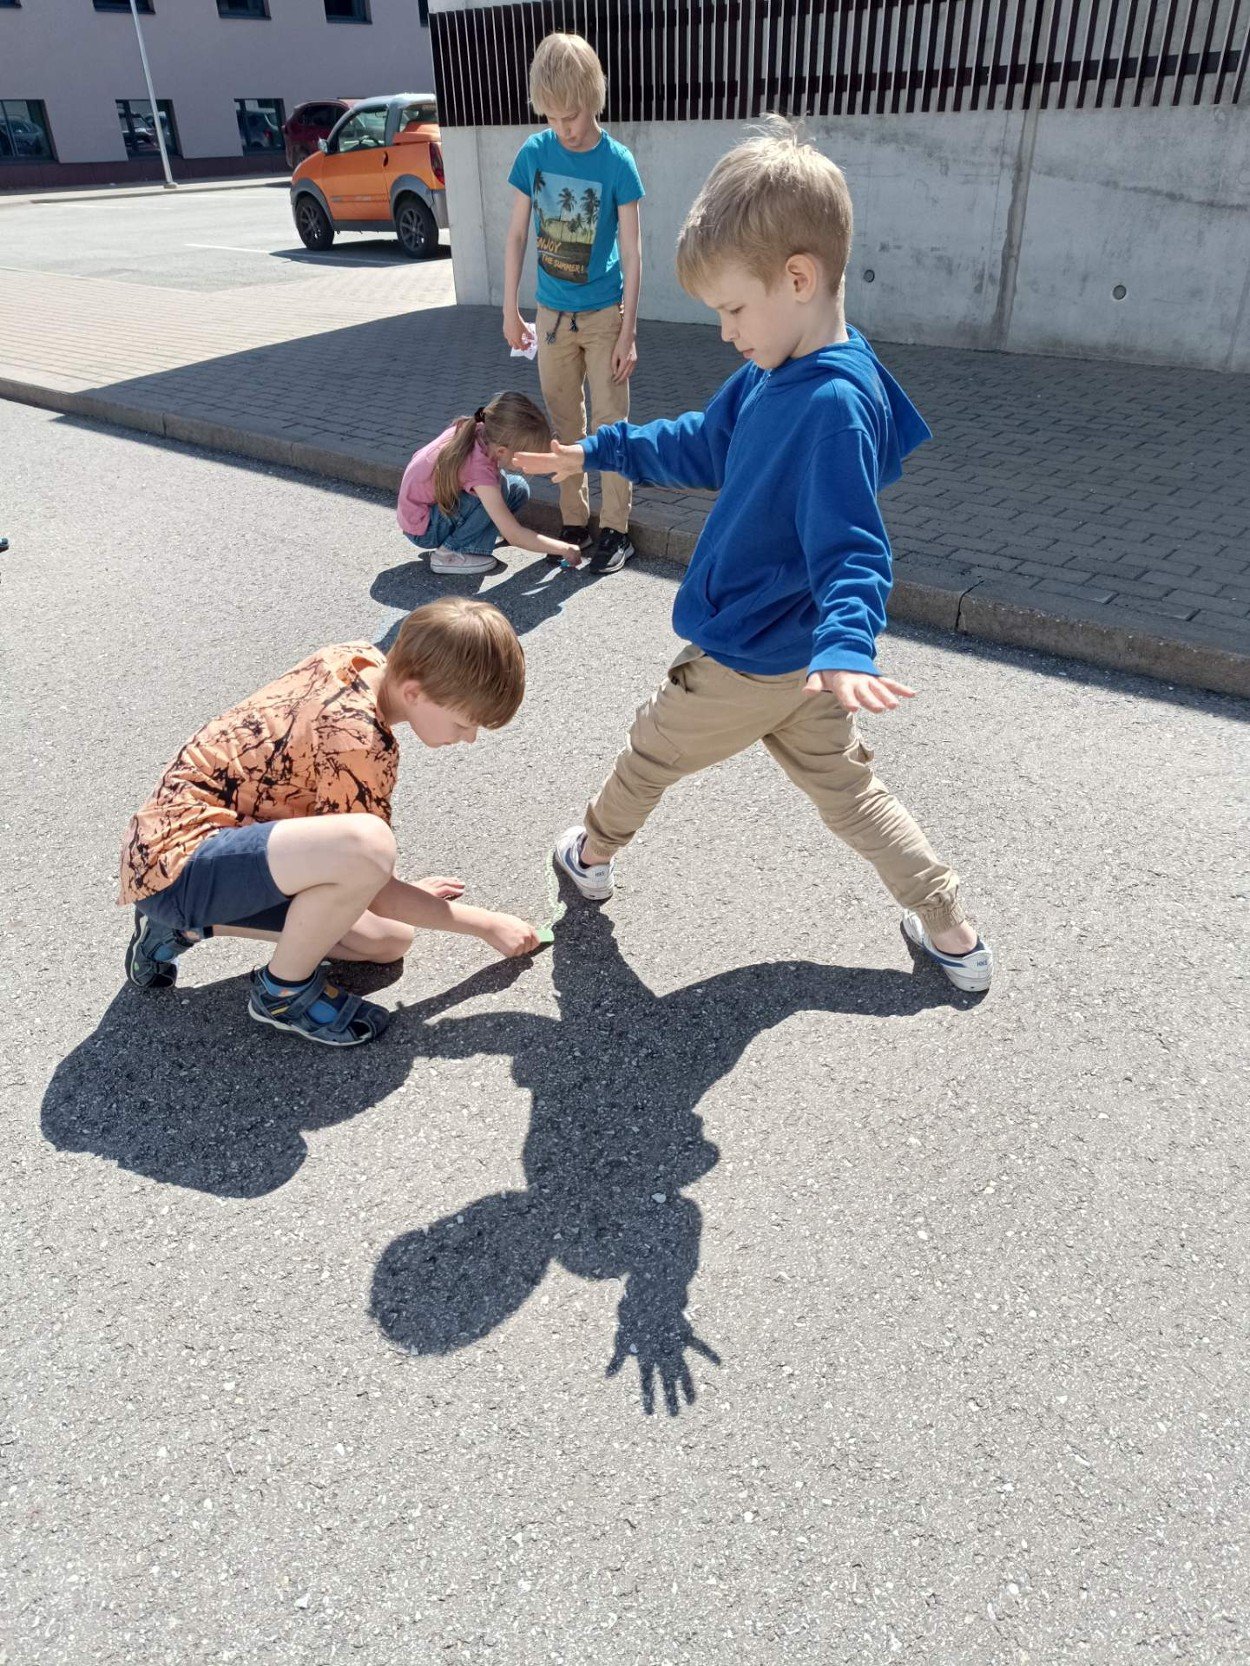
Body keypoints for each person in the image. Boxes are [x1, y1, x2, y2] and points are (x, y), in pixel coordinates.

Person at [521, 121, 994, 994]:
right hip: (805, 669)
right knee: (854, 796)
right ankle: (953, 934)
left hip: (747, 657)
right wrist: (600, 448)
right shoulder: (782, 367)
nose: (726, 332)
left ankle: (588, 856)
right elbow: (703, 443)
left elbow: (855, 550)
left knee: (651, 751)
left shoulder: (829, 407)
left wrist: (849, 643)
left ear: (799, 279)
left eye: (734, 310)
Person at [119, 599, 543, 1047]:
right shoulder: (360, 740)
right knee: (370, 848)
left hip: (212, 850)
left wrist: (386, 887)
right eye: (462, 723)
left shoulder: (356, 659)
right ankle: (281, 995)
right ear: (414, 692)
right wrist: (486, 924)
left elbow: (358, 864)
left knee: (388, 940)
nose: (469, 738)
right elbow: (368, 867)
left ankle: (181, 927)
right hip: (178, 862)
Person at [502, 32, 644, 575]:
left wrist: (629, 332)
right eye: (553, 117)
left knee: (611, 426)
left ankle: (617, 530)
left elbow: (633, 253)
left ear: (593, 97)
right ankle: (574, 522)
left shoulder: (618, 162)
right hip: (552, 319)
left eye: (573, 115)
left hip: (606, 316)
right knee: (564, 426)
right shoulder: (534, 154)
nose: (565, 128)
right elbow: (517, 235)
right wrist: (510, 309)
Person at [398, 391, 581, 576]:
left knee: (517, 487)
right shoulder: (479, 468)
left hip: (424, 516)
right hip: (425, 529)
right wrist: (565, 549)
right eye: (526, 455)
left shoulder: (478, 428)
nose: (529, 462)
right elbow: (514, 535)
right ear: (502, 451)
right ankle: (450, 553)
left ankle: (469, 539)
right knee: (498, 490)